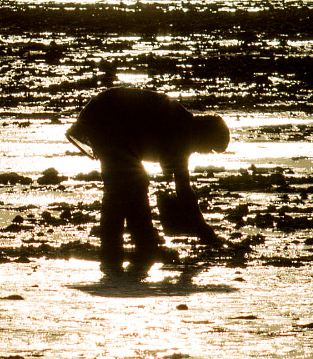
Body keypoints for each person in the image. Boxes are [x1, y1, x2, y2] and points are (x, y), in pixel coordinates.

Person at [67, 86, 228, 272]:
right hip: (106, 120)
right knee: (122, 188)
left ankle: (142, 246)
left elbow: (180, 184)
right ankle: (113, 251)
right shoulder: (182, 131)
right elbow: (183, 189)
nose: (204, 152)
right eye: (210, 148)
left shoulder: (182, 123)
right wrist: (205, 233)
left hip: (107, 119)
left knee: (135, 182)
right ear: (206, 135)